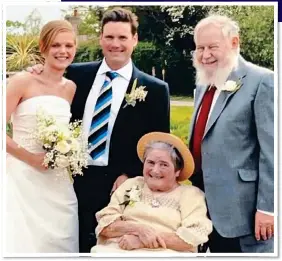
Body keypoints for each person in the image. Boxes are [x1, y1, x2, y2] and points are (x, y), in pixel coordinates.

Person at [28, 8, 170, 252]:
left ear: (134, 40)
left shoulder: (156, 89)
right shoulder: (74, 74)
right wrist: (35, 73)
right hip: (69, 179)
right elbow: (44, 92)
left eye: (123, 37)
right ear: (101, 38)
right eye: (110, 37)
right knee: (68, 244)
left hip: (120, 185)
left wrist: (131, 175)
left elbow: (158, 146)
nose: (116, 44)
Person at [189, 15, 274, 253]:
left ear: (234, 43)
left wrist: (269, 209)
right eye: (200, 48)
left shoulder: (262, 81)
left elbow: (273, 151)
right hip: (204, 207)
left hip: (245, 213)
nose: (205, 55)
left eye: (212, 47)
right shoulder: (203, 83)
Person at [5, 20, 79, 253]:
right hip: (21, 178)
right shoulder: (21, 81)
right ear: (43, 47)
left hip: (58, 182)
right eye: (56, 45)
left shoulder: (71, 88)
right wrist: (31, 158)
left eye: (69, 45)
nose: (63, 51)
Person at [90, 132, 212, 254]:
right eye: (150, 162)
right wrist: (139, 229)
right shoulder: (135, 186)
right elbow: (105, 225)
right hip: (119, 250)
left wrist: (142, 241)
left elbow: (191, 238)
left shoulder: (189, 195)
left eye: (163, 165)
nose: (155, 170)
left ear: (177, 171)